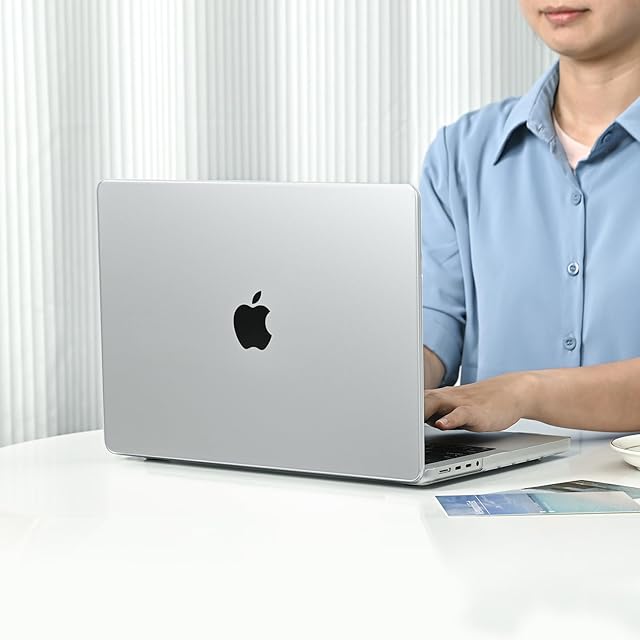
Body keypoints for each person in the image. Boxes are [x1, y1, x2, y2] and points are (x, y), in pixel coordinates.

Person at [422, 1, 640, 433]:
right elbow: (437, 324)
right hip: (494, 477)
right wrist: (381, 381)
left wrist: (525, 392)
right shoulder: (461, 152)